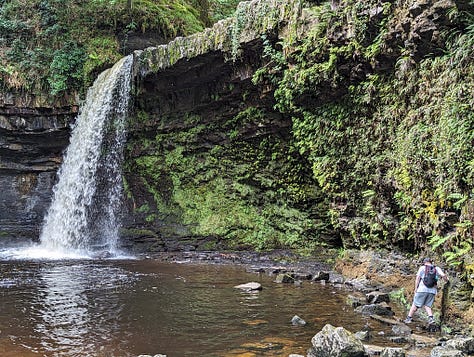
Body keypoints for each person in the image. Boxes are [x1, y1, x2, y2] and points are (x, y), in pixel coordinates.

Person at [404, 257, 449, 324]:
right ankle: (431, 318)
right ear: (431, 262)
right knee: (427, 305)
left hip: (422, 289)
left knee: (415, 304)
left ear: (424, 262)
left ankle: (409, 318)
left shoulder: (422, 268)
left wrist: (416, 288)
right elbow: (443, 276)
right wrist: (447, 280)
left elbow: (417, 279)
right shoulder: (436, 268)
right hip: (432, 291)